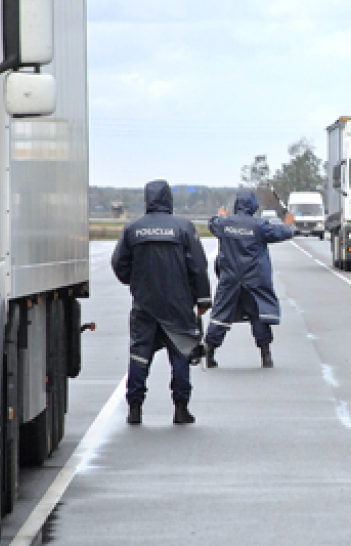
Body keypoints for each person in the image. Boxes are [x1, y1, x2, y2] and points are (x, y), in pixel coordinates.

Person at [112, 180, 211, 425]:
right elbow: (198, 266)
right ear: (169, 199)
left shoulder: (133, 229)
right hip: (178, 304)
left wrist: (135, 282)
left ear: (147, 199)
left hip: (144, 304)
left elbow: (119, 264)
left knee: (139, 355)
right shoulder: (184, 228)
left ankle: (134, 408)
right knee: (180, 354)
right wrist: (203, 299)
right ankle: (180, 408)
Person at [204, 190, 294, 369]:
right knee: (258, 316)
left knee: (220, 314)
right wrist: (289, 224)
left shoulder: (223, 224)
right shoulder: (260, 226)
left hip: (230, 278)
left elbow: (212, 223)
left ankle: (210, 351)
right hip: (254, 279)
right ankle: (266, 356)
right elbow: (282, 233)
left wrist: (221, 215)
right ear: (253, 206)